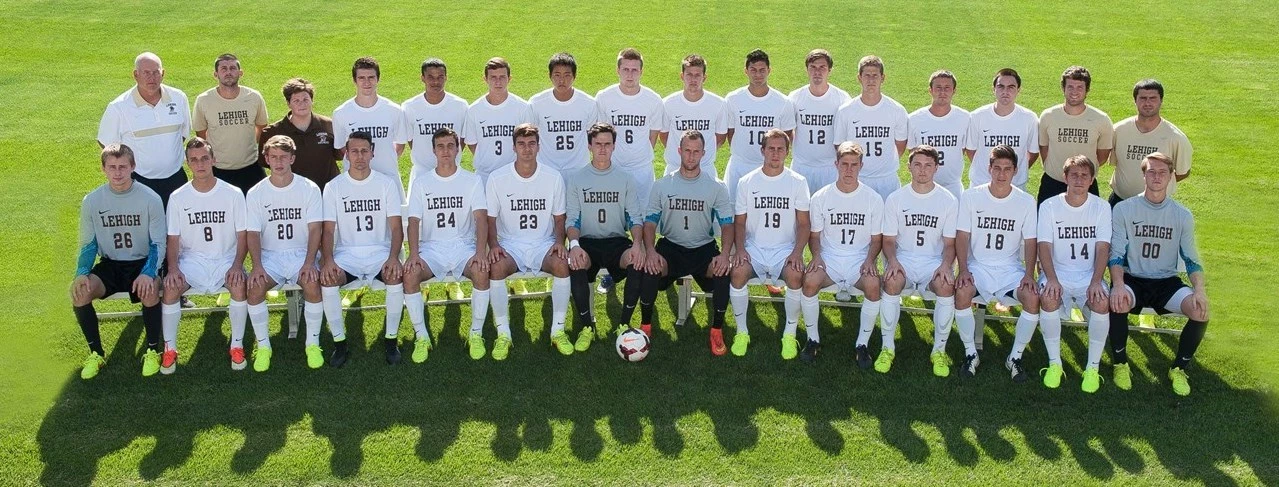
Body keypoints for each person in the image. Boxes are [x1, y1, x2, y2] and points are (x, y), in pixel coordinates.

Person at [1108, 152, 1209, 396]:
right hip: (1134, 280)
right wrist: (1118, 284)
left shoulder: (1182, 215)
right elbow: (1116, 255)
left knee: (1200, 310)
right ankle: (1120, 364)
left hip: (1166, 283)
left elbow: (1192, 259)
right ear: (1143, 175)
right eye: (1151, 171)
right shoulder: (1124, 209)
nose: (1156, 176)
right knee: (1118, 301)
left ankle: (1179, 368)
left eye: (1162, 172)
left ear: (1171, 177)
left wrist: (1200, 290)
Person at [72, 144, 167, 379]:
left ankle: (153, 349)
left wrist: (148, 272)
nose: (117, 172)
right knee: (81, 292)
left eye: (123, 166)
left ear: (132, 167)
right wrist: (81, 272)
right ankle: (96, 353)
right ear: (103, 169)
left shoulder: (150, 198)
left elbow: (158, 243)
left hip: (142, 262)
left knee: (150, 290)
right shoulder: (92, 201)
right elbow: (88, 244)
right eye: (112, 167)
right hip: (111, 264)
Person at [637, 130, 734, 355]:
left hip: (703, 248)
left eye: (696, 152)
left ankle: (716, 330)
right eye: (687, 151)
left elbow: (727, 225)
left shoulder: (716, 186)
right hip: (671, 247)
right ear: (679, 151)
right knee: (650, 269)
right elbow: (650, 223)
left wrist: (725, 254)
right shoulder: (662, 185)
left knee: (722, 272)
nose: (691, 157)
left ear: (704, 154)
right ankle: (646, 325)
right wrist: (650, 251)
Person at [159, 138, 249, 374]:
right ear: (188, 163)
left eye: (204, 158)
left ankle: (237, 346)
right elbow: (173, 239)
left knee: (239, 285)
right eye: (194, 160)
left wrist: (238, 265)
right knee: (170, 288)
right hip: (192, 261)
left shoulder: (233, 194)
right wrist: (173, 269)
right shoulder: (178, 197)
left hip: (225, 260)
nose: (200, 164)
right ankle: (169, 349)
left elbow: (243, 236)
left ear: (213, 160)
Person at [403, 128, 493, 361]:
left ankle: (475, 333)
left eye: (450, 146)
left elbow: (481, 219)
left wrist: (480, 252)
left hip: (463, 247)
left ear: (458, 149)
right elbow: (413, 222)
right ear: (433, 150)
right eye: (440, 146)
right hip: (431, 248)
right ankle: (421, 336)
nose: (445, 151)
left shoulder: (471, 180)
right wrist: (413, 254)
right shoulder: (422, 183)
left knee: (482, 272)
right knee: (411, 274)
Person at [318, 131, 405, 366]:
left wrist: (393, 258)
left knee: (395, 277)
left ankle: (391, 340)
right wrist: (327, 261)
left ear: (372, 153)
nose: (359, 156)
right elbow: (327, 231)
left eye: (364, 151)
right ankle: (340, 344)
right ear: (346, 154)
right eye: (354, 151)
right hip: (347, 255)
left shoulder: (385, 184)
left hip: (380, 253)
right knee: (327, 280)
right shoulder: (334, 187)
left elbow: (396, 228)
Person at [954, 144, 1039, 380]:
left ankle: (1015, 357)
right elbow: (962, 235)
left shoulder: (1025, 201)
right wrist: (963, 269)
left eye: (1007, 169)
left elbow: (1031, 241)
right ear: (989, 168)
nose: (1002, 174)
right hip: (978, 268)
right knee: (962, 293)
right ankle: (971, 354)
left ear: (1015, 171)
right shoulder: (971, 196)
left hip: (1010, 270)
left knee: (1032, 298)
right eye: (997, 168)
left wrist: (1029, 275)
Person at [485, 123, 570, 358]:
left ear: (539, 147)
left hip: (543, 243)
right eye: (521, 144)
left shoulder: (553, 177)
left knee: (562, 265)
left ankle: (558, 331)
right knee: (496, 267)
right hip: (511, 245)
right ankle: (504, 334)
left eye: (531, 143)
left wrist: (558, 242)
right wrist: (494, 246)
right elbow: (490, 220)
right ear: (514, 147)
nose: (527, 149)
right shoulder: (497, 178)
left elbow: (560, 218)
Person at [245, 135, 327, 370]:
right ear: (266, 159)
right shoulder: (256, 192)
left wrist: (310, 262)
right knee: (255, 287)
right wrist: (258, 265)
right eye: (273, 157)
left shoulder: (308, 188)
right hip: (271, 256)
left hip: (302, 254)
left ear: (292, 158)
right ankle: (263, 346)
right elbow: (253, 233)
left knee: (312, 284)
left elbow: (315, 230)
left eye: (283, 157)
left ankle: (312, 343)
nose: (278, 162)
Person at [725, 129, 809, 357]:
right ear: (762, 150)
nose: (775, 153)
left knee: (794, 276)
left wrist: (797, 252)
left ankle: (789, 334)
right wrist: (740, 249)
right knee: (738, 273)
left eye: (780, 149)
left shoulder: (797, 182)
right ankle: (742, 332)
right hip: (755, 248)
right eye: (770, 148)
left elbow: (803, 224)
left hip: (784, 249)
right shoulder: (747, 182)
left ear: (787, 152)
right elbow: (739, 223)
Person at [565, 123, 647, 348]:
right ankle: (586, 327)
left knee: (636, 261)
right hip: (588, 242)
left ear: (614, 146)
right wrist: (574, 245)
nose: (603, 149)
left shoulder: (625, 178)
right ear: (590, 145)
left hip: (616, 242)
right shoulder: (577, 178)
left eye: (607, 144)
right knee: (576, 262)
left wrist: (637, 245)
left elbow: (634, 217)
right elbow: (572, 219)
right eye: (598, 144)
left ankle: (623, 324)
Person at [881, 145, 959, 376]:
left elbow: (950, 244)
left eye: (928, 165)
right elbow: (888, 241)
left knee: (945, 286)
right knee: (892, 282)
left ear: (936, 168)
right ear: (909, 167)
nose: (922, 170)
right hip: (903, 259)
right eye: (917, 164)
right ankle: (887, 347)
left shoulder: (948, 200)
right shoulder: (896, 198)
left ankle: (939, 350)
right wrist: (893, 261)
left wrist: (945, 266)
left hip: (933, 262)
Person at [801, 142, 882, 364]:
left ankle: (862, 344)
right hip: (830, 259)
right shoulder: (821, 197)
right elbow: (815, 236)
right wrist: (816, 257)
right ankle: (812, 339)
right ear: (835, 164)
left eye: (853, 165)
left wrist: (869, 260)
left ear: (861, 166)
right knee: (809, 281)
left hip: (858, 260)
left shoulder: (873, 198)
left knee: (874, 285)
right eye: (844, 164)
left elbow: (877, 240)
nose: (848, 170)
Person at [1036, 155, 1112, 391]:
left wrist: (1097, 281)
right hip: (1057, 273)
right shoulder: (1049, 205)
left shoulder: (1101, 207)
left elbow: (1103, 247)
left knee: (1100, 302)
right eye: (1074, 175)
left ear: (1092, 180)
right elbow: (1044, 246)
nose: (1079, 179)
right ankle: (1055, 363)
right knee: (1048, 297)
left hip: (1088, 276)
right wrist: (1052, 279)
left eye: (1084, 175)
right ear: (1065, 177)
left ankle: (1092, 367)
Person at [98, 52, 190, 207]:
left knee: (178, 229)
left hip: (176, 179)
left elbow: (182, 134)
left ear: (163, 73)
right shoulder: (118, 107)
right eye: (146, 73)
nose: (151, 77)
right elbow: (107, 145)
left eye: (156, 72)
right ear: (136, 75)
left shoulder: (179, 98)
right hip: (139, 181)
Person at [595, 47, 664, 209]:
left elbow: (653, 135)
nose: (630, 74)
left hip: (642, 168)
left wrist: (639, 153)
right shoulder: (604, 97)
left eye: (634, 70)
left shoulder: (653, 100)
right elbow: (599, 135)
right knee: (612, 215)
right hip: (613, 166)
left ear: (641, 72)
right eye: (625, 69)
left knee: (644, 216)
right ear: (618, 70)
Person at [832, 55, 910, 200]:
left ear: (883, 78)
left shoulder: (896, 110)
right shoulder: (846, 111)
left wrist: (884, 163)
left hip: (887, 179)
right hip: (858, 178)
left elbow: (900, 144)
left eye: (875, 75)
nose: (871, 80)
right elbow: (840, 146)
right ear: (859, 78)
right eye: (867, 75)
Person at [723, 49, 797, 200]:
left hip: (769, 167)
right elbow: (730, 132)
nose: (758, 75)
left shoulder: (782, 102)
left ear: (769, 70)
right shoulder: (733, 99)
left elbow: (787, 136)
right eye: (753, 70)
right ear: (746, 71)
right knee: (734, 212)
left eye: (762, 70)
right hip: (739, 165)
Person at [192, 53, 269, 194]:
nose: (228, 72)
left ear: (240, 72)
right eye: (224, 69)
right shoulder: (204, 100)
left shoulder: (254, 97)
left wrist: (247, 146)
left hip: (251, 167)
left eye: (233, 68)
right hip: (218, 169)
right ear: (216, 74)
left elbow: (261, 127)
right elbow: (201, 135)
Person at [1037, 66, 1114, 205]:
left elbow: (1102, 155)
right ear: (1063, 88)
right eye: (1070, 87)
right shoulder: (1048, 116)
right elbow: (1044, 149)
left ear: (1087, 90)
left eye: (1080, 87)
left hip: (1085, 185)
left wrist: (1081, 173)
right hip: (1052, 183)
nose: (1074, 92)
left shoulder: (1101, 119)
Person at [1108, 79, 1193, 206]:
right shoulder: (1118, 130)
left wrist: (1157, 186)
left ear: (1161, 101)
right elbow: (1116, 163)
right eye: (1143, 98)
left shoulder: (1176, 137)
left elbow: (1182, 173)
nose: (1147, 103)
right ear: (1135, 100)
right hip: (1119, 201)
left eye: (1153, 98)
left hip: (1156, 205)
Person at [333, 57, 408, 193]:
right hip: (356, 181)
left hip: (389, 177)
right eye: (361, 78)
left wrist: (384, 160)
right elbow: (342, 148)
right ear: (354, 80)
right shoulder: (341, 113)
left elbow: (400, 145)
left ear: (378, 79)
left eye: (371, 77)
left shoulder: (394, 110)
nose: (367, 82)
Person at [258, 78, 342, 190]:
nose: (302, 104)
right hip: (294, 194)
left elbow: (339, 154)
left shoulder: (329, 125)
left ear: (312, 100)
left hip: (327, 191)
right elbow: (267, 162)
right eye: (296, 101)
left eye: (305, 99)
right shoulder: (271, 133)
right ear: (288, 104)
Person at [964, 68, 1039, 191]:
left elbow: (1034, 152)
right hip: (981, 184)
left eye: (1011, 87)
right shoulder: (977, 116)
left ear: (1018, 90)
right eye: (1001, 86)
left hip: (1016, 185)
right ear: (993, 89)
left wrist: (1015, 170)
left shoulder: (1029, 118)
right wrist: (986, 170)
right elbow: (971, 150)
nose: (1005, 91)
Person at [788, 49, 850, 193]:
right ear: (807, 70)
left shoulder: (842, 99)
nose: (817, 72)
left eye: (822, 67)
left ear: (830, 70)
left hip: (830, 167)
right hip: (801, 166)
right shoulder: (794, 98)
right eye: (813, 67)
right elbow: (787, 132)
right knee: (799, 212)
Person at [463, 57, 533, 181]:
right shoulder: (474, 109)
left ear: (509, 79)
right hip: (484, 175)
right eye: (493, 77)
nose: (498, 82)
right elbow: (472, 143)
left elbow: (529, 141)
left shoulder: (522, 107)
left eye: (502, 77)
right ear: (485, 79)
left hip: (514, 174)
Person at [403, 58, 468, 190]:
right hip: (421, 174)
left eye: (440, 77)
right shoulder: (409, 107)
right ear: (422, 78)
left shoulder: (460, 106)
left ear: (446, 78)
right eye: (431, 77)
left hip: (452, 174)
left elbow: (463, 139)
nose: (436, 82)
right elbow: (410, 140)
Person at [530, 52, 598, 177]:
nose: (562, 80)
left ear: (574, 76)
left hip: (579, 169)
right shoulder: (536, 103)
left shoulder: (588, 104)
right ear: (549, 76)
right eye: (557, 75)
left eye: (567, 75)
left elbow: (592, 140)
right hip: (547, 169)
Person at [660, 54, 729, 177]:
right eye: (689, 75)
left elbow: (720, 137)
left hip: (705, 169)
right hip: (675, 168)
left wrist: (700, 156)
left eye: (697, 75)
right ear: (682, 76)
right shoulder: (668, 104)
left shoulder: (718, 104)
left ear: (704, 77)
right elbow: (664, 136)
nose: (693, 79)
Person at [907, 70, 969, 199]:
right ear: (930, 90)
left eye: (947, 88)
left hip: (953, 186)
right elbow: (913, 154)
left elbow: (963, 150)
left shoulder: (965, 118)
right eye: (938, 88)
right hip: (923, 186)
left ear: (954, 91)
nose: (942, 92)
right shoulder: (914, 119)